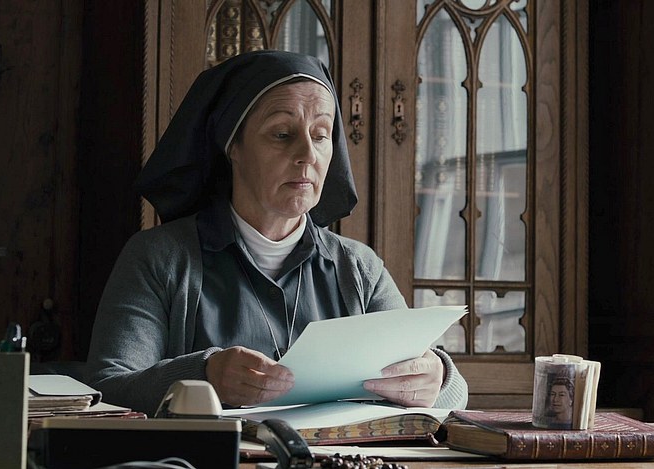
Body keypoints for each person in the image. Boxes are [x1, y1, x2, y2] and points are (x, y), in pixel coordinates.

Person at [84, 50, 468, 416]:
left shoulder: (359, 268)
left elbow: (453, 393)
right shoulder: (160, 257)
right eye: (282, 134)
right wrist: (205, 375)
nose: (308, 155)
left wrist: (437, 377)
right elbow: (107, 387)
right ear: (232, 146)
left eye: (321, 135)